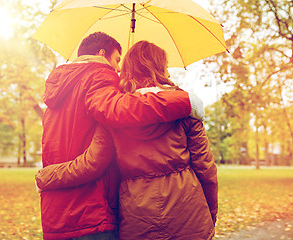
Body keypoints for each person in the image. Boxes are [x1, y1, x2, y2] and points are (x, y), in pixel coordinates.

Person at [37, 41, 218, 240]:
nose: (168, 73)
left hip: (137, 215)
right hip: (188, 208)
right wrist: (210, 213)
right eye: (165, 67)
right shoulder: (185, 109)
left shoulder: (112, 119)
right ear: (159, 68)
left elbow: (91, 163)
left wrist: (47, 176)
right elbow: (205, 168)